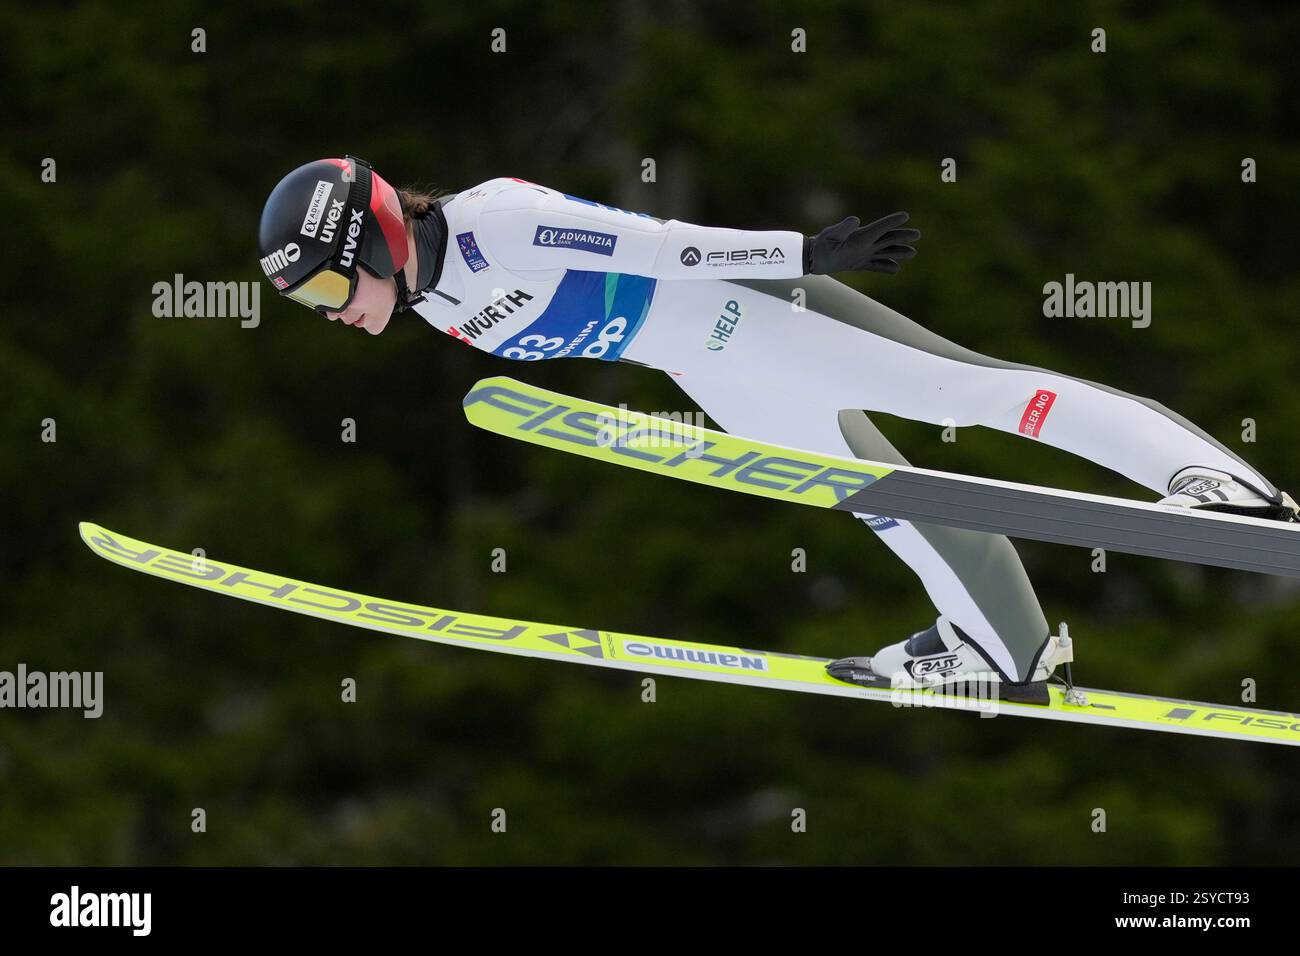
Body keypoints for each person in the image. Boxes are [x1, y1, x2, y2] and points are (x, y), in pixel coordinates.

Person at [257, 155, 1298, 703]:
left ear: (376, 236)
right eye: (314, 304)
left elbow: (655, 244)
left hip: (753, 310)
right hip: (707, 365)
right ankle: (1005, 645)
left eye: (331, 285)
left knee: (965, 393)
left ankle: (1222, 485)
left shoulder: (491, 222)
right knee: (876, 494)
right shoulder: (434, 302)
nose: (336, 311)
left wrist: (798, 250)